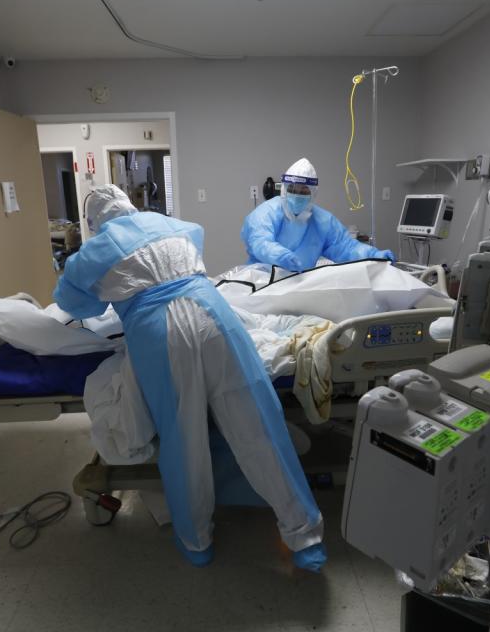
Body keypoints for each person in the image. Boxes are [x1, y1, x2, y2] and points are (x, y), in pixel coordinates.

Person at [55, 185, 326, 570]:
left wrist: (113, 288)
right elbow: (191, 251)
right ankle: (305, 536)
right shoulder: (173, 224)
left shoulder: (97, 249)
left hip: (158, 333)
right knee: (259, 423)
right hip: (214, 316)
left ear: (96, 222)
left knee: (184, 439)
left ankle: (197, 541)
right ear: (130, 206)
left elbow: (72, 301)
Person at [242, 158, 395, 272]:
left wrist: (375, 255)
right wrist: (281, 256)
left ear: (313, 193)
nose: (297, 195)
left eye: (304, 191)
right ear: (284, 189)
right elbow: (260, 241)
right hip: (262, 281)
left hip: (300, 284)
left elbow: (345, 247)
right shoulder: (266, 213)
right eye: (293, 190)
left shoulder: (322, 221)